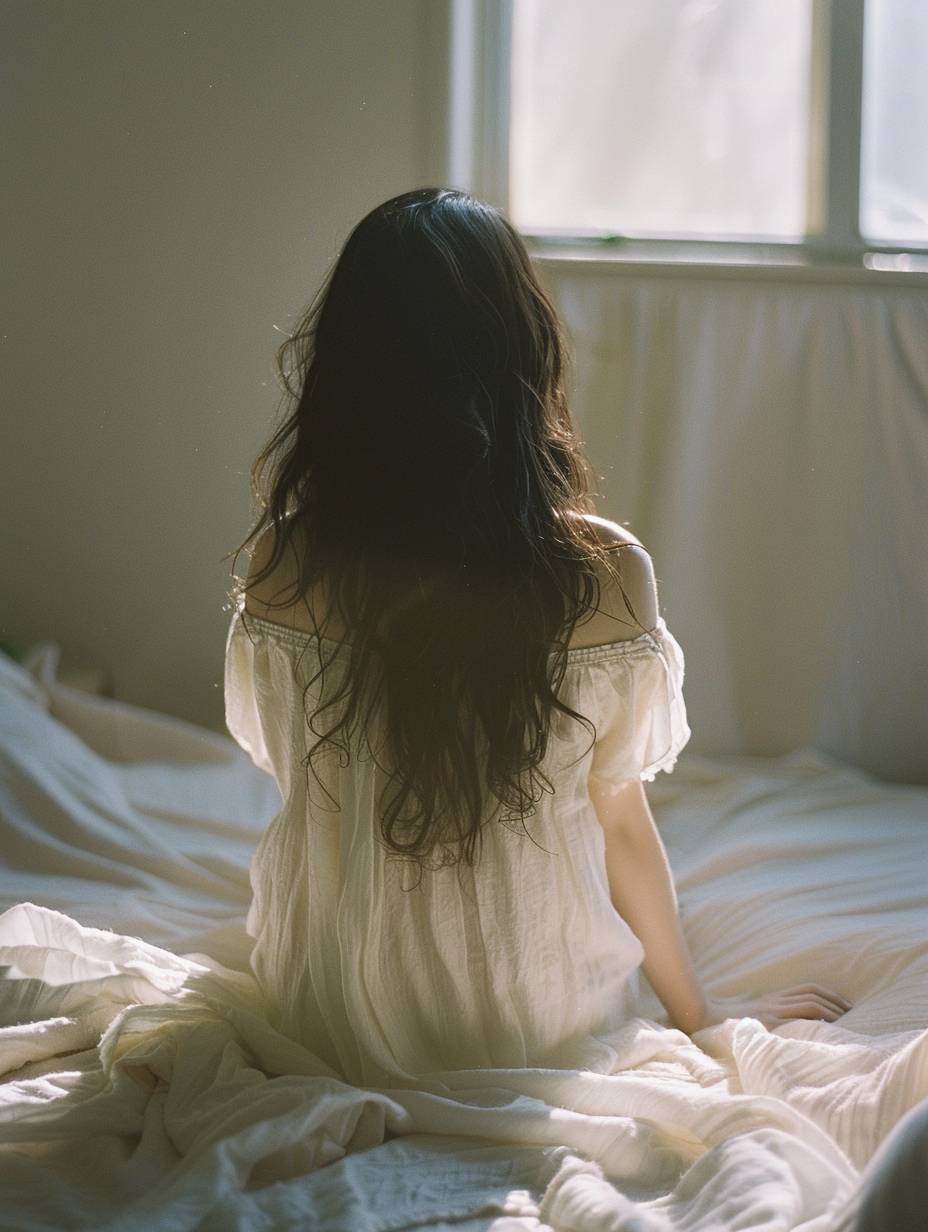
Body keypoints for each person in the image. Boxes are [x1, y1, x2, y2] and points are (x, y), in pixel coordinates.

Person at [225, 186, 851, 1087]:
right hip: (534, 1017)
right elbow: (621, 822)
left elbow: (292, 771)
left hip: (325, 1010)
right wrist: (700, 1013)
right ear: (520, 353)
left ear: (344, 367)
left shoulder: (281, 559)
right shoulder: (598, 572)